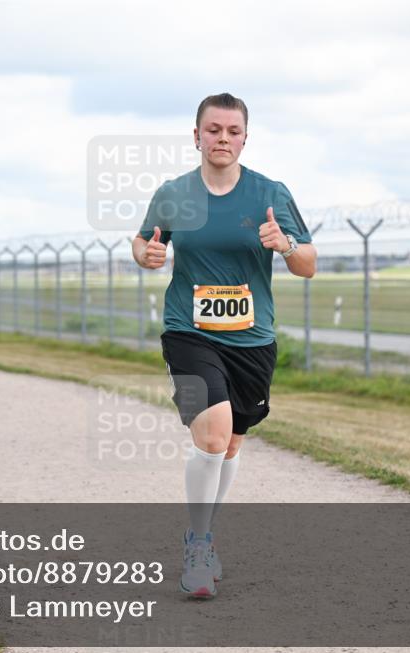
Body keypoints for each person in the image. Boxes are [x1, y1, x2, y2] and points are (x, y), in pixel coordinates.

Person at [133, 93, 316, 599]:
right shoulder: (174, 193)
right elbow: (145, 240)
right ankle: (196, 545)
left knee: (232, 444)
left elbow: (309, 264)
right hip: (187, 333)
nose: (222, 139)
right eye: (213, 130)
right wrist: (146, 254)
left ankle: (207, 537)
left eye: (232, 131)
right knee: (213, 436)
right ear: (196, 136)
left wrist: (288, 246)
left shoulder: (270, 194)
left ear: (244, 138)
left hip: (253, 341)